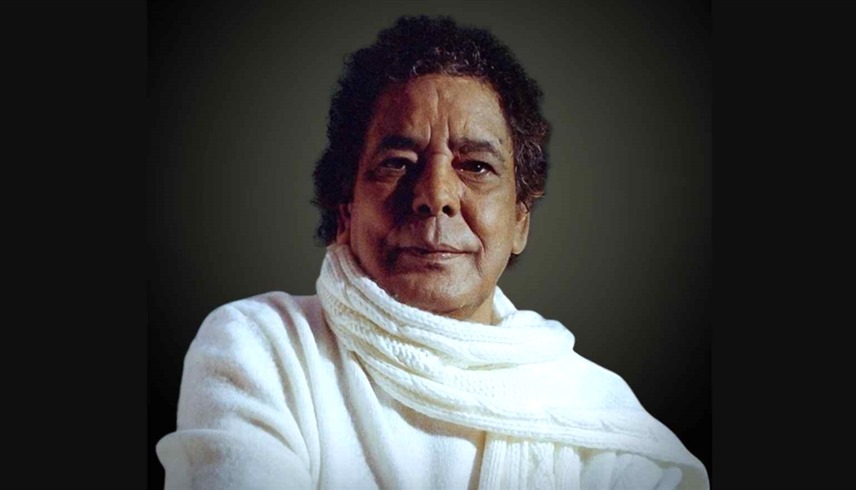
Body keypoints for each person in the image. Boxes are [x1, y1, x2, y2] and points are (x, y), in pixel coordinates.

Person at [156, 15, 709, 489]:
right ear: (345, 209)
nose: (436, 195)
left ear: (520, 221)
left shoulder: (598, 416)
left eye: (477, 167)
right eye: (397, 163)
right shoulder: (265, 348)